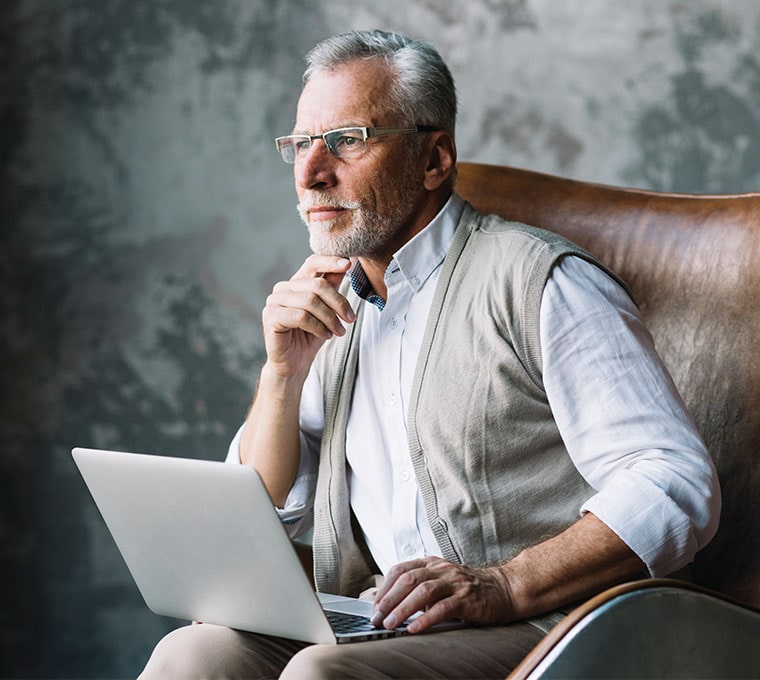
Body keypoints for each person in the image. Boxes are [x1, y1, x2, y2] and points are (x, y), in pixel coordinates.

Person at [140, 29, 720, 679]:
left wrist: (507, 583)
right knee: (192, 652)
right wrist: (282, 373)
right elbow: (261, 518)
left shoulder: (541, 283)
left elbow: (675, 482)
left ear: (434, 158)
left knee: (319, 674)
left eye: (347, 140)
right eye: (301, 144)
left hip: (551, 624)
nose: (311, 172)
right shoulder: (330, 306)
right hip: (384, 622)